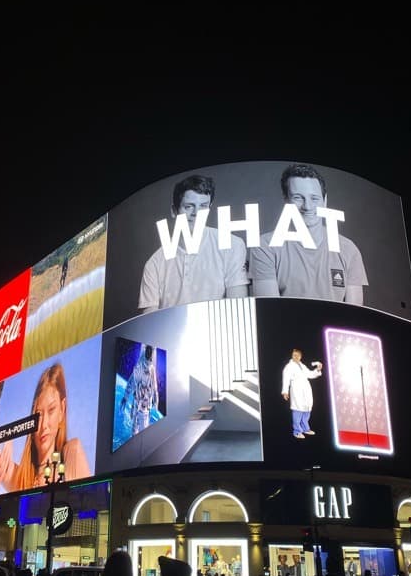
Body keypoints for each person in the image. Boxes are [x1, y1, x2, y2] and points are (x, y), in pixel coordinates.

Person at [249, 162, 368, 304]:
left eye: (314, 198)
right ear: (286, 200)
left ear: (325, 201)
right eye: (298, 197)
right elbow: (270, 312)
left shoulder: (348, 249)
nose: (307, 206)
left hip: (334, 327)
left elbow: (354, 317)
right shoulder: (265, 246)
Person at [138, 173, 249, 313]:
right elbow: (150, 322)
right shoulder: (154, 263)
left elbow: (238, 310)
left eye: (203, 206)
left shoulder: (232, 245)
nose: (197, 213)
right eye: (189, 206)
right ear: (174, 210)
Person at [0, 363, 90, 490]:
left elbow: (89, 504)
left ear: (62, 409)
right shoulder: (21, 478)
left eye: (51, 410)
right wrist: (8, 436)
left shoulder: (71, 451)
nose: (43, 425)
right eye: (39, 414)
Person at [281, 348, 323, 439]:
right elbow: (286, 378)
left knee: (307, 408)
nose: (296, 357)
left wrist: (318, 369)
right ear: (292, 355)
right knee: (298, 409)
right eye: (294, 355)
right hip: (297, 389)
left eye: (297, 355)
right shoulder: (289, 366)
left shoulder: (302, 365)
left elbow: (310, 374)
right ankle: (297, 431)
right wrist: (285, 391)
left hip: (306, 388)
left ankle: (305, 429)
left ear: (300, 356)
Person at [121, 344, 159, 434]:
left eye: (151, 351)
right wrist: (125, 397)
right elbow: (131, 382)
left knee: (143, 431)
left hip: (144, 408)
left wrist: (156, 402)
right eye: (148, 350)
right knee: (135, 431)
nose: (149, 353)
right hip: (137, 404)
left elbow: (154, 388)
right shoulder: (138, 366)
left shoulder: (152, 370)